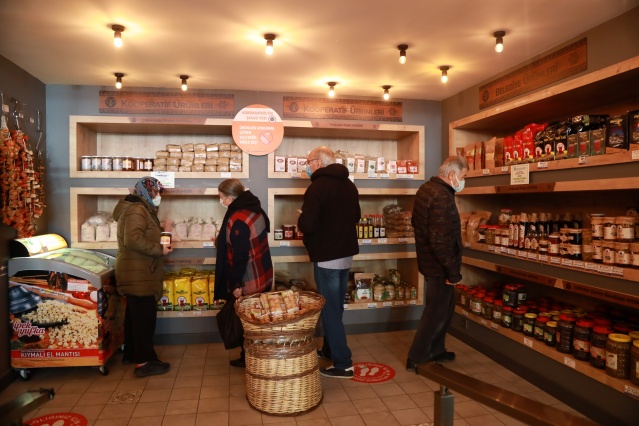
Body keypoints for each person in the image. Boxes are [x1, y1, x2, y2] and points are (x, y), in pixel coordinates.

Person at [298, 146, 360, 379]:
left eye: (308, 161)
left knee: (330, 310)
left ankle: (343, 363)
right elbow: (356, 216)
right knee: (336, 306)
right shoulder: (349, 185)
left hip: (327, 257)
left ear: (318, 163)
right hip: (345, 254)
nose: (307, 166)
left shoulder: (317, 187)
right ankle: (329, 349)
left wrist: (301, 218)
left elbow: (308, 224)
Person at [406, 156, 468, 372]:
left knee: (445, 308)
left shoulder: (427, 188)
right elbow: (440, 239)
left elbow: (418, 224)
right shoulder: (441, 196)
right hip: (439, 266)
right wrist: (452, 271)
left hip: (429, 261)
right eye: (463, 176)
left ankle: (436, 349)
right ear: (452, 174)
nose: (463, 181)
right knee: (435, 313)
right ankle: (417, 357)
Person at [113, 176, 173, 378]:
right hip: (138, 271)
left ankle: (132, 353)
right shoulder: (137, 210)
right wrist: (159, 250)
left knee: (135, 315)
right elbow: (133, 239)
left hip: (138, 270)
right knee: (144, 318)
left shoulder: (140, 208)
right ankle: (145, 362)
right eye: (156, 192)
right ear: (147, 192)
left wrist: (165, 232)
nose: (158, 196)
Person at [214, 178, 273, 368]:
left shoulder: (238, 219)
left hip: (250, 277)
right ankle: (252, 355)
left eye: (222, 197)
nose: (221, 201)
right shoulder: (255, 209)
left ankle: (250, 358)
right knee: (257, 318)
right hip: (263, 271)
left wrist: (236, 284)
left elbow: (240, 256)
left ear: (230, 198)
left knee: (248, 320)